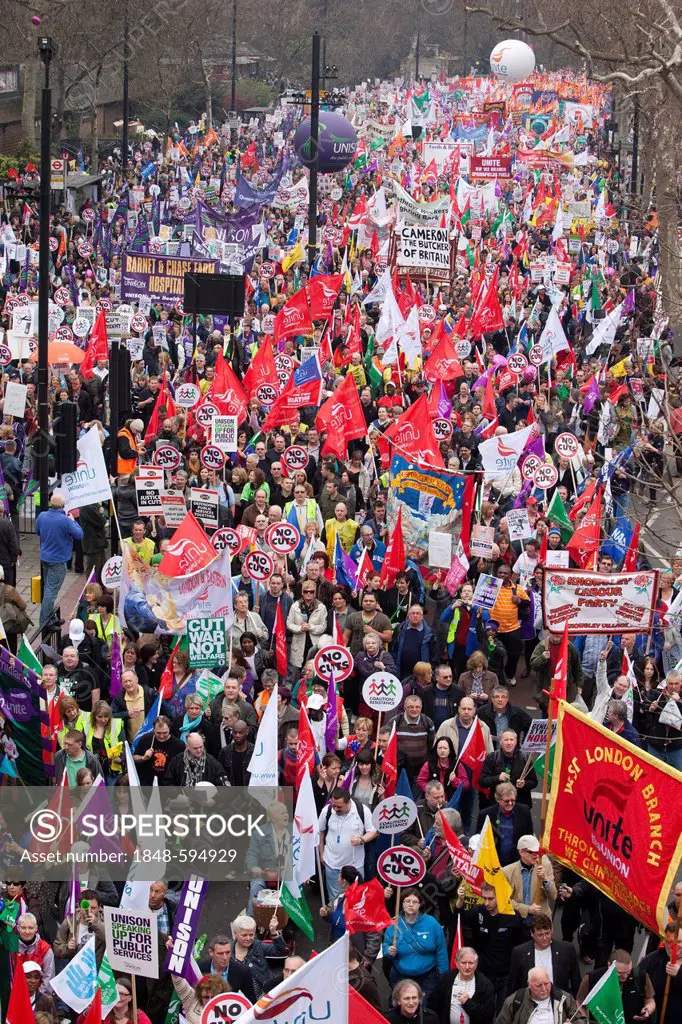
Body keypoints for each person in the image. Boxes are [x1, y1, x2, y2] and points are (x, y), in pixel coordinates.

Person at [458, 882, 525, 1010]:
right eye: (484, 898)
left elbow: (520, 945)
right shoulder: (478, 912)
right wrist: (460, 900)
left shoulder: (513, 916)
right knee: (482, 1011)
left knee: (503, 1013)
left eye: (490, 899)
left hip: (505, 975)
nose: (486, 903)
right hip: (483, 974)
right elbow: (459, 917)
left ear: (500, 896)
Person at [383, 888, 448, 1005]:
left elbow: (441, 951)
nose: (411, 905)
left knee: (423, 1008)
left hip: (427, 978)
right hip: (400, 977)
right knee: (403, 1008)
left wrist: (444, 978)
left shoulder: (432, 923)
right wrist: (388, 951)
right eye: (407, 901)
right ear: (402, 904)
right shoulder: (394, 925)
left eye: (415, 902)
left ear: (420, 905)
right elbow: (385, 946)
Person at [318, 787, 377, 902]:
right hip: (332, 865)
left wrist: (361, 839)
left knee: (356, 899)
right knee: (334, 900)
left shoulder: (362, 810)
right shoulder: (327, 810)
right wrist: (321, 853)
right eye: (333, 805)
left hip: (354, 866)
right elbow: (320, 831)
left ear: (348, 802)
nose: (335, 809)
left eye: (339, 806)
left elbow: (373, 831)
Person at [35, 493, 84, 627]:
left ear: (51, 504)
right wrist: (74, 521)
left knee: (48, 589)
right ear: (63, 506)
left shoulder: (42, 516)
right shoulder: (66, 520)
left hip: (45, 557)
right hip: (58, 560)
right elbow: (79, 535)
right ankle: (44, 622)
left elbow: (38, 532)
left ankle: (50, 617)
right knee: (51, 591)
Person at [507, 914, 581, 996]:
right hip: (530, 1003)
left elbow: (576, 980)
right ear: (532, 933)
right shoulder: (519, 953)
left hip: (558, 1001)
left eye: (547, 933)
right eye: (540, 935)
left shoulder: (566, 949)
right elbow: (512, 984)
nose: (545, 938)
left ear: (551, 930)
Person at [577, 949, 655, 1023]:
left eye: (628, 972)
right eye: (620, 973)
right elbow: (579, 1003)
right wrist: (584, 1020)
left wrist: (648, 1010)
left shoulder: (640, 976)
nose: (624, 976)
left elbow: (650, 1000)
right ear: (609, 965)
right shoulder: (592, 978)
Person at [229, 913, 286, 999]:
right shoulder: (227, 951)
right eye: (244, 935)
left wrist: (274, 932)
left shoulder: (258, 946)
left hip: (266, 995)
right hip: (245, 1001)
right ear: (235, 934)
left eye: (251, 935)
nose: (248, 938)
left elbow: (281, 950)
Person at [476, 783, 534, 866]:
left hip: (517, 862)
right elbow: (479, 839)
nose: (510, 803)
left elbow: (529, 836)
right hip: (494, 863)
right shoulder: (486, 815)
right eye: (507, 801)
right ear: (498, 799)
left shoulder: (524, 811)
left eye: (513, 800)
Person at [495, 967, 578, 1024]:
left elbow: (581, 1019)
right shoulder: (515, 1000)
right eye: (538, 985)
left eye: (546, 983)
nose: (544, 988)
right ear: (529, 985)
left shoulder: (563, 998)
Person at [502, 836, 558, 920]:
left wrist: (545, 879)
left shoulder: (546, 866)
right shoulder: (507, 871)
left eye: (537, 851)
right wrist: (527, 909)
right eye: (532, 852)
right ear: (521, 852)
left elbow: (553, 896)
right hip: (518, 921)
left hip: (541, 921)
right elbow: (504, 900)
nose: (536, 855)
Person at [479, 729, 537, 809]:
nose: (509, 743)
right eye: (506, 740)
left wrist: (524, 784)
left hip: (519, 805)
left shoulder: (525, 758)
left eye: (511, 740)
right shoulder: (492, 758)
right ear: (500, 742)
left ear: (516, 742)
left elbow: (534, 782)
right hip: (497, 806)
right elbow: (482, 782)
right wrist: (497, 778)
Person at [437, 946, 496, 1024]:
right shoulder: (446, 979)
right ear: (457, 963)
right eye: (463, 963)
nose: (467, 967)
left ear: (476, 964)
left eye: (471, 963)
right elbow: (435, 1005)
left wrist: (468, 1003)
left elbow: (488, 1016)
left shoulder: (485, 985)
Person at [163, 733, 227, 786]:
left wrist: (213, 799)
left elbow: (223, 785)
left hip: (205, 800)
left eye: (201, 747)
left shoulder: (212, 763)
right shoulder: (177, 761)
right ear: (187, 746)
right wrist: (177, 795)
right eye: (195, 748)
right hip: (181, 799)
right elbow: (168, 782)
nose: (199, 750)